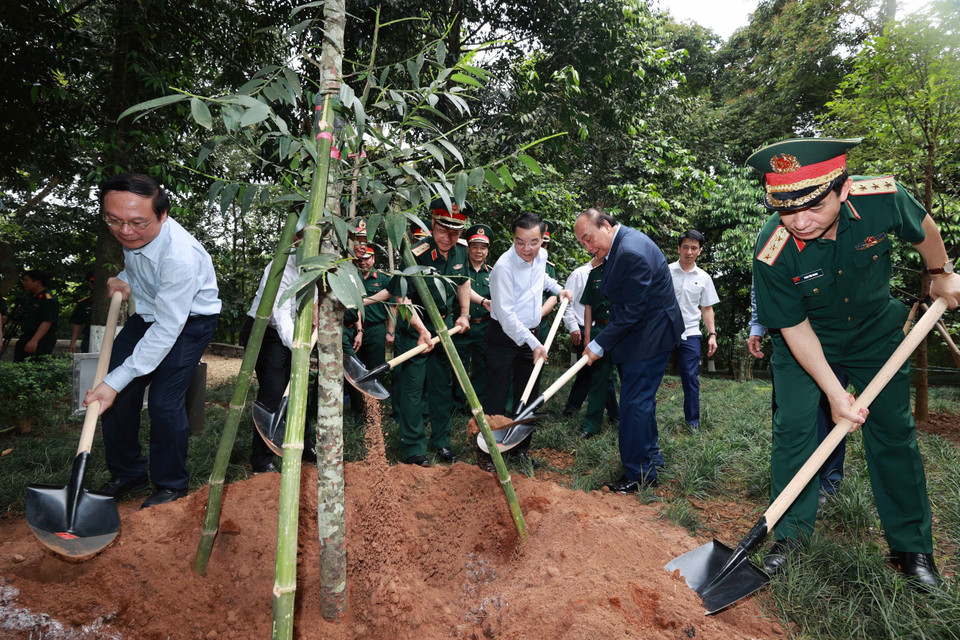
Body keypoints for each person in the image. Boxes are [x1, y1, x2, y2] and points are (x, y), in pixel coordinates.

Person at [748, 137, 960, 588]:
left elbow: (923, 227)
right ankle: (787, 537)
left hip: (874, 335)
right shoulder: (772, 248)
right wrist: (834, 393)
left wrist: (941, 275)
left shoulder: (880, 196)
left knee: (893, 431)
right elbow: (794, 327)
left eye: (813, 207)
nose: (799, 221)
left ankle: (911, 549)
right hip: (806, 340)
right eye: (786, 209)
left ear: (843, 190)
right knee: (795, 429)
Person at [84, 174, 221, 509]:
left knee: (163, 401)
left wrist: (115, 381)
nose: (125, 231)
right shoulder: (132, 230)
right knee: (112, 393)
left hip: (188, 323)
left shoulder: (180, 256)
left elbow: (167, 329)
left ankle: (171, 484)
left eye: (137, 222)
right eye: (113, 220)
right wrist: (125, 279)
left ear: (163, 215)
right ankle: (128, 472)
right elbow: (141, 267)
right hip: (146, 316)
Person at [575, 208, 682, 493]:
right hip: (641, 335)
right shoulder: (620, 246)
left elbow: (632, 311)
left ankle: (638, 474)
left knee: (634, 405)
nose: (587, 247)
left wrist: (598, 344)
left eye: (589, 238)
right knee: (641, 402)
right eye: (582, 243)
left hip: (649, 338)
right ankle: (651, 458)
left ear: (607, 225)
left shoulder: (630, 252)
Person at [383, 198, 473, 466]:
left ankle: (442, 443)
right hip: (415, 331)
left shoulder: (460, 252)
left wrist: (465, 313)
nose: (449, 237)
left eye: (455, 232)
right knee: (412, 390)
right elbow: (401, 300)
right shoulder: (415, 253)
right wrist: (421, 330)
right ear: (432, 224)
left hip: (445, 329)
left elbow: (463, 282)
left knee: (441, 389)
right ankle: (413, 448)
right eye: (444, 230)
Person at [480, 213, 572, 470]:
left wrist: (558, 289)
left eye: (533, 242)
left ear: (542, 239)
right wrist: (533, 343)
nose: (526, 249)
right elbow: (507, 317)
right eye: (520, 242)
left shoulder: (540, 256)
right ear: (513, 238)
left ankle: (519, 450)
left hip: (532, 334)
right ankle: (488, 453)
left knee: (529, 393)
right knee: (497, 396)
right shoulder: (503, 268)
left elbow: (541, 279)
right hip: (503, 336)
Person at [747, 284, 847, 501]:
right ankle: (790, 484)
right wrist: (757, 326)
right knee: (788, 414)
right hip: (786, 337)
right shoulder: (769, 249)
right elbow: (763, 287)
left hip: (831, 334)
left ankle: (827, 483)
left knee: (832, 410)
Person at [240, 233, 318, 474]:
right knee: (274, 391)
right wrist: (298, 347)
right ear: (296, 241)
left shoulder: (321, 264)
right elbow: (280, 313)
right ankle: (261, 459)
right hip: (266, 332)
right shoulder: (281, 266)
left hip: (298, 331)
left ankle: (305, 445)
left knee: (301, 390)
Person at [668, 230, 719, 431]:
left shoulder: (704, 278)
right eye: (686, 247)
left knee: (690, 378)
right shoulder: (666, 271)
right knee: (652, 374)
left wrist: (712, 334)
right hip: (664, 332)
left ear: (699, 251)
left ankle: (693, 423)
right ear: (679, 248)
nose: (689, 252)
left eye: (694, 248)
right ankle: (647, 419)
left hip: (690, 333)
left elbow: (707, 308)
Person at [345, 245, 393, 417]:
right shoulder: (351, 277)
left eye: (367, 258)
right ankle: (357, 410)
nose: (363, 262)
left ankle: (374, 411)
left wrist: (390, 331)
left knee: (375, 369)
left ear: (373, 259)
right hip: (355, 330)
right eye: (361, 259)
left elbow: (392, 306)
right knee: (355, 368)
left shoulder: (383, 279)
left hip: (376, 330)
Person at [579, 256, 621, 439]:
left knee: (628, 379)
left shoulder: (624, 271)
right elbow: (588, 307)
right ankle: (591, 425)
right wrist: (588, 337)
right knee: (598, 379)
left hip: (622, 330)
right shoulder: (594, 274)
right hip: (599, 331)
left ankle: (626, 421)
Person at [453, 224, 494, 410]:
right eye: (475, 246)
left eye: (483, 247)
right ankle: (457, 403)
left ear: (487, 251)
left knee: (482, 365)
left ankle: (476, 404)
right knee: (458, 365)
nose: (479, 251)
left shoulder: (493, 274)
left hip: (485, 327)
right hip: (461, 326)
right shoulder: (458, 270)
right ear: (468, 248)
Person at [14, 270, 59, 362]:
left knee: (35, 366)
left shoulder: (48, 299)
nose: (24, 283)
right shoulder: (30, 297)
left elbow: (47, 321)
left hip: (41, 340)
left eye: (26, 280)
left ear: (38, 282)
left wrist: (34, 340)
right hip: (26, 337)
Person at [69, 271, 95, 354]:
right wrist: (73, 342)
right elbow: (77, 323)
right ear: (91, 285)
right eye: (93, 283)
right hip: (89, 340)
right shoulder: (84, 303)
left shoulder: (117, 302)